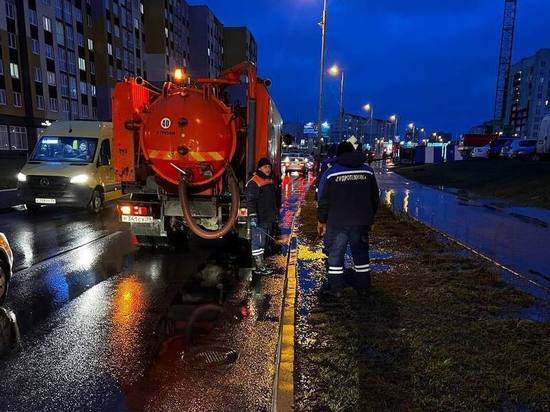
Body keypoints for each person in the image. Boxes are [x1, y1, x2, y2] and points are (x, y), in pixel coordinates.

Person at [317, 141, 380, 297]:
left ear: (338, 154)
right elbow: (375, 198)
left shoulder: (331, 173)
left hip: (337, 222)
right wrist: (370, 218)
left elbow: (323, 199)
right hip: (360, 222)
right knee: (361, 256)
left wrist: (322, 220)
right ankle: (363, 287)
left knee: (336, 257)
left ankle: (336, 289)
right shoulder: (368, 171)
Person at [246, 158, 279, 275]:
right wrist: (253, 216)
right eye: (265, 167)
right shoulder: (254, 182)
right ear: (259, 169)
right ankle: (259, 267)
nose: (268, 169)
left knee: (262, 242)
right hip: (259, 218)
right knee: (258, 242)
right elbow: (251, 201)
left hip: (266, 217)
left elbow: (272, 201)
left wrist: (275, 214)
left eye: (269, 167)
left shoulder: (268, 181)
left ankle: (260, 265)